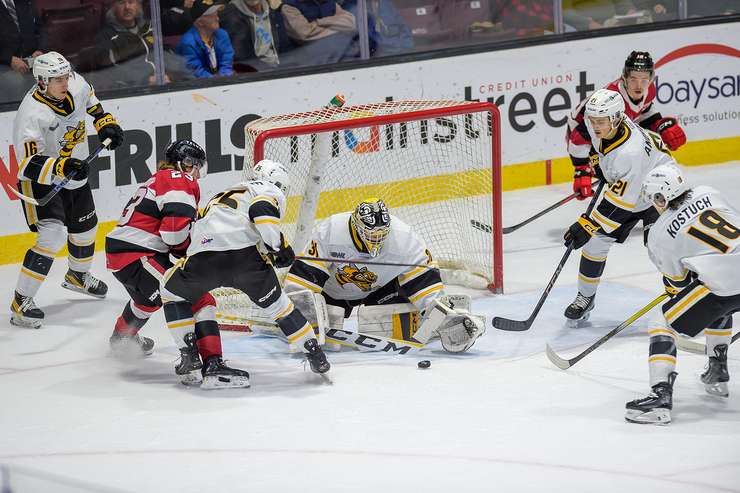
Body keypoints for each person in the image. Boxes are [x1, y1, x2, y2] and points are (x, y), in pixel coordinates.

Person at [160, 159, 331, 389]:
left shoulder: (224, 193)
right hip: (245, 261)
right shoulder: (268, 190)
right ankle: (314, 352)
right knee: (280, 307)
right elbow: (261, 212)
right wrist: (280, 247)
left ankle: (189, 353)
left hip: (204, 259)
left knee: (170, 291)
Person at [10, 51, 124, 328]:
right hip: (41, 179)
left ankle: (77, 276)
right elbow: (26, 164)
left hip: (74, 169)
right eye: (57, 79)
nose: (65, 82)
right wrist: (61, 167)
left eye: (65, 76)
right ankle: (20, 302)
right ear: (41, 82)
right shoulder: (31, 115)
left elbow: (92, 102)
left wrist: (105, 123)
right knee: (53, 235)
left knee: (86, 227)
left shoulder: (76, 84)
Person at [284, 198, 485, 353]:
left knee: (385, 325)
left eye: (382, 234)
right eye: (372, 234)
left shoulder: (405, 239)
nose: (377, 239)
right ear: (356, 226)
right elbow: (303, 279)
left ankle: (434, 325)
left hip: (379, 292)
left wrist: (444, 318)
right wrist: (295, 316)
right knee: (323, 330)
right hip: (333, 294)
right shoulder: (332, 231)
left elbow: (426, 286)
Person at [625, 164, 740, 424]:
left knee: (662, 322)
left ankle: (660, 397)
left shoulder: (658, 235)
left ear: (659, 198)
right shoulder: (708, 192)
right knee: (713, 296)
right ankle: (717, 369)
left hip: (723, 282)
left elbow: (678, 285)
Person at [562, 88, 676, 325]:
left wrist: (586, 225)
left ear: (616, 118)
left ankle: (684, 293)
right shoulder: (606, 127)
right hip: (633, 185)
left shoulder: (629, 153)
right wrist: (594, 163)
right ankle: (586, 297)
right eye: (592, 120)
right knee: (594, 245)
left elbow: (619, 207)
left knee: (659, 246)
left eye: (600, 121)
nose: (595, 126)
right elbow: (592, 145)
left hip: (659, 191)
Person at [105, 139, 204, 361]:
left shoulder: (160, 179)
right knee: (183, 292)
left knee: (147, 300)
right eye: (196, 166)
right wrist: (185, 254)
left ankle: (122, 338)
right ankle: (192, 360)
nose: (197, 174)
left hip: (124, 251)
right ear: (185, 163)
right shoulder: (179, 179)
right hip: (138, 253)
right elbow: (173, 233)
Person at [567, 51, 686, 201]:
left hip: (612, 131)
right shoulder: (612, 97)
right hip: (587, 138)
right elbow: (578, 136)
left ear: (651, 79)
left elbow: (644, 114)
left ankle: (643, 206)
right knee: (624, 171)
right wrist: (581, 170)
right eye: (633, 79)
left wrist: (661, 127)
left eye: (644, 79)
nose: (639, 85)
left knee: (639, 163)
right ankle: (621, 208)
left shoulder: (649, 91)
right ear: (624, 77)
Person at [219, 0, 294, 70]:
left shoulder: (273, 9)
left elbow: (285, 46)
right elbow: (240, 57)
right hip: (258, 73)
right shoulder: (231, 15)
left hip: (282, 68)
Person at [281, 0, 358, 65]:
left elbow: (351, 23)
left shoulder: (328, 2)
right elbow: (304, 34)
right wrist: (338, 27)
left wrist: (318, 23)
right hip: (309, 64)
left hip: (340, 58)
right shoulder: (289, 7)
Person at [0, 0, 45, 103]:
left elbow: (41, 29)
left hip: (31, 59)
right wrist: (9, 59)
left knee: (63, 72)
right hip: (4, 63)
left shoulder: (26, 1)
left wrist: (40, 49)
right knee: (16, 82)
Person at [176, 0, 234, 78]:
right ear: (200, 22)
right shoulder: (188, 43)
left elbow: (227, 62)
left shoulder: (222, 34)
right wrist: (216, 82)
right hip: (196, 85)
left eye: (216, 14)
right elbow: (195, 71)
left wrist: (224, 76)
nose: (217, 18)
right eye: (212, 16)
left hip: (219, 81)